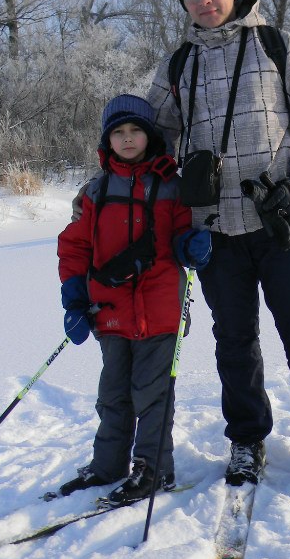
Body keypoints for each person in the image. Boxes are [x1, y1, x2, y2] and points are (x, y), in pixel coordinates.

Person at [146, 0, 290, 490]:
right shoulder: (178, 65)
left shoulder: (277, 45)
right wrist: (130, 186)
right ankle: (247, 441)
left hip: (280, 219)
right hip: (214, 231)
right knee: (233, 341)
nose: (202, 0)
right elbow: (150, 139)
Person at [54, 94, 212, 505]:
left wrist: (191, 245)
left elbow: (181, 235)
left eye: (135, 131)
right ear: (107, 141)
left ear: (149, 135)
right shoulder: (95, 191)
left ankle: (153, 469)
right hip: (109, 311)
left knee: (153, 393)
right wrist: (73, 297)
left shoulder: (170, 186)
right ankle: (107, 464)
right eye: (118, 133)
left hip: (160, 311)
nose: (127, 139)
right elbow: (74, 247)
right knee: (113, 393)